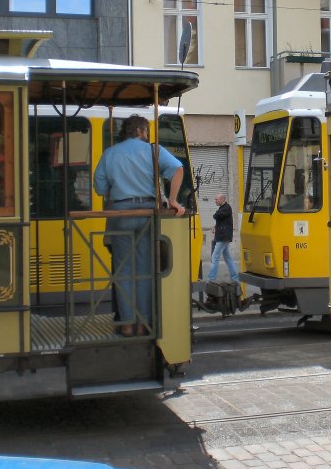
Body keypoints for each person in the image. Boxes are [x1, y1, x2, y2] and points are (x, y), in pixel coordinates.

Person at [93, 115, 185, 338]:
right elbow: (177, 169)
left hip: (121, 212)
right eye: (146, 132)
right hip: (146, 212)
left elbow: (99, 187)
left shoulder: (110, 153)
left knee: (124, 270)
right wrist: (173, 200)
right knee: (144, 270)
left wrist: (119, 190)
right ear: (141, 132)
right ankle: (143, 324)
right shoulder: (153, 150)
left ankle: (126, 324)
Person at [207, 193, 239, 285]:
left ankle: (211, 278)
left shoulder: (226, 208)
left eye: (216, 199)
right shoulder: (223, 208)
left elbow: (216, 216)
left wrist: (216, 215)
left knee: (215, 257)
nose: (215, 201)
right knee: (228, 258)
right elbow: (222, 220)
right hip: (223, 236)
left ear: (221, 199)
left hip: (223, 237)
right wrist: (215, 226)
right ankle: (235, 277)